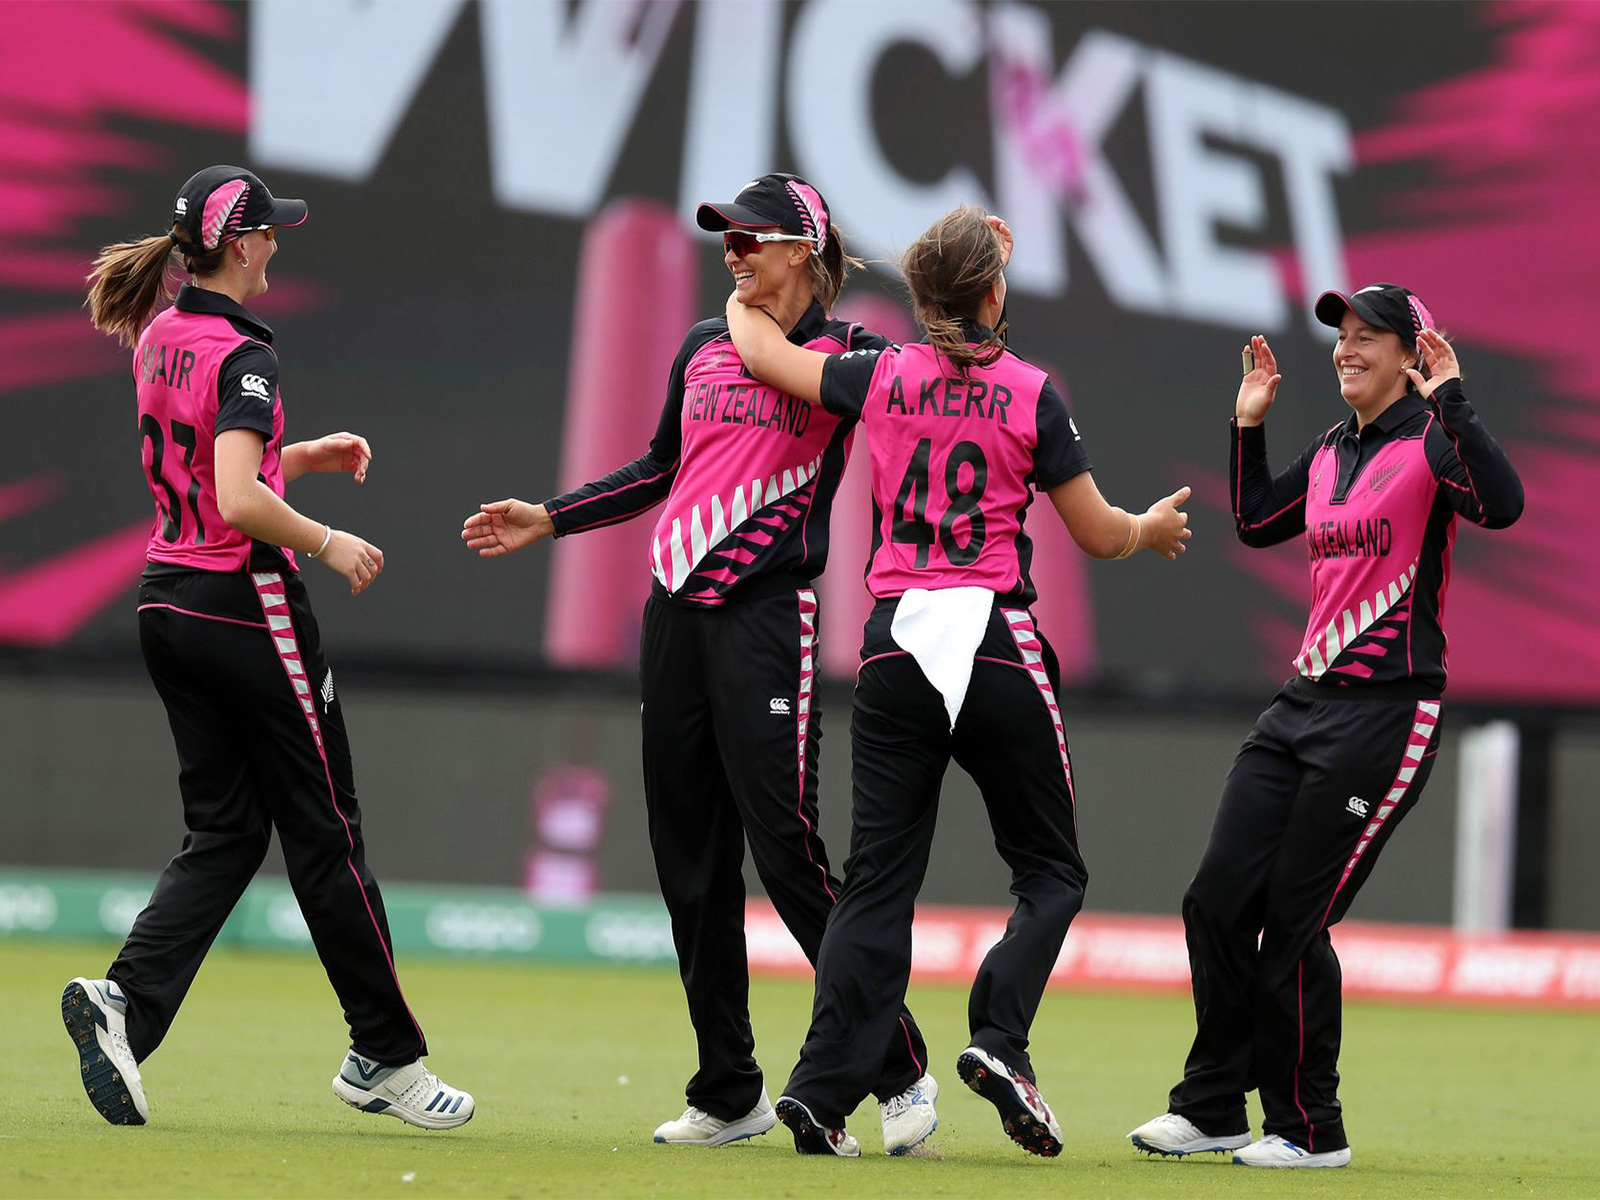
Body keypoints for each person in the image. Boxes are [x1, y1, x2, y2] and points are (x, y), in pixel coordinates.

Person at [461, 173, 937, 1154]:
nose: (731, 255)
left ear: (803, 249)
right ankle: (728, 1090)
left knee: (789, 856)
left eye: (748, 240)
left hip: (768, 619)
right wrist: (550, 518)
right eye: (723, 241)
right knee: (690, 862)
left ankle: (896, 1071)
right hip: (673, 619)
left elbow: (931, 405)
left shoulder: (848, 354)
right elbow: (656, 468)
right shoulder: (699, 345)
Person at [722, 205, 1192, 1157]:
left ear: (923, 293)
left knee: (876, 885)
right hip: (992, 643)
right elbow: (1100, 535)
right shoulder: (1032, 390)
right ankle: (999, 1041)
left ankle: (819, 1090)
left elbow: (768, 357)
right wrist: (1150, 528)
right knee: (1052, 870)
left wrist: (741, 294)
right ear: (992, 292)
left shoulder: (883, 372)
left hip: (895, 643)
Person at [69, 165, 472, 1130]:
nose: (279, 244)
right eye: (271, 232)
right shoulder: (247, 355)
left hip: (169, 603)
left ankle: (124, 1003)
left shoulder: (163, 332)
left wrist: (305, 453)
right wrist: (329, 540)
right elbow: (240, 499)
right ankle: (388, 1056)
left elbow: (215, 465)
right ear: (240, 243)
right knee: (327, 834)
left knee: (227, 832)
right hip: (246, 603)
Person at [1127, 285, 1523, 1167]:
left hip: (1387, 712)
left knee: (1294, 922)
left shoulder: (1431, 440)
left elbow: (1502, 505)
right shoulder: (1335, 447)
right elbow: (1260, 518)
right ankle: (1214, 1109)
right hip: (1301, 704)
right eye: (1342, 337)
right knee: (1218, 901)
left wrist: (1450, 398)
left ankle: (1311, 1131)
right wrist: (1247, 425)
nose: (1347, 350)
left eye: (1369, 338)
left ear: (1412, 353)